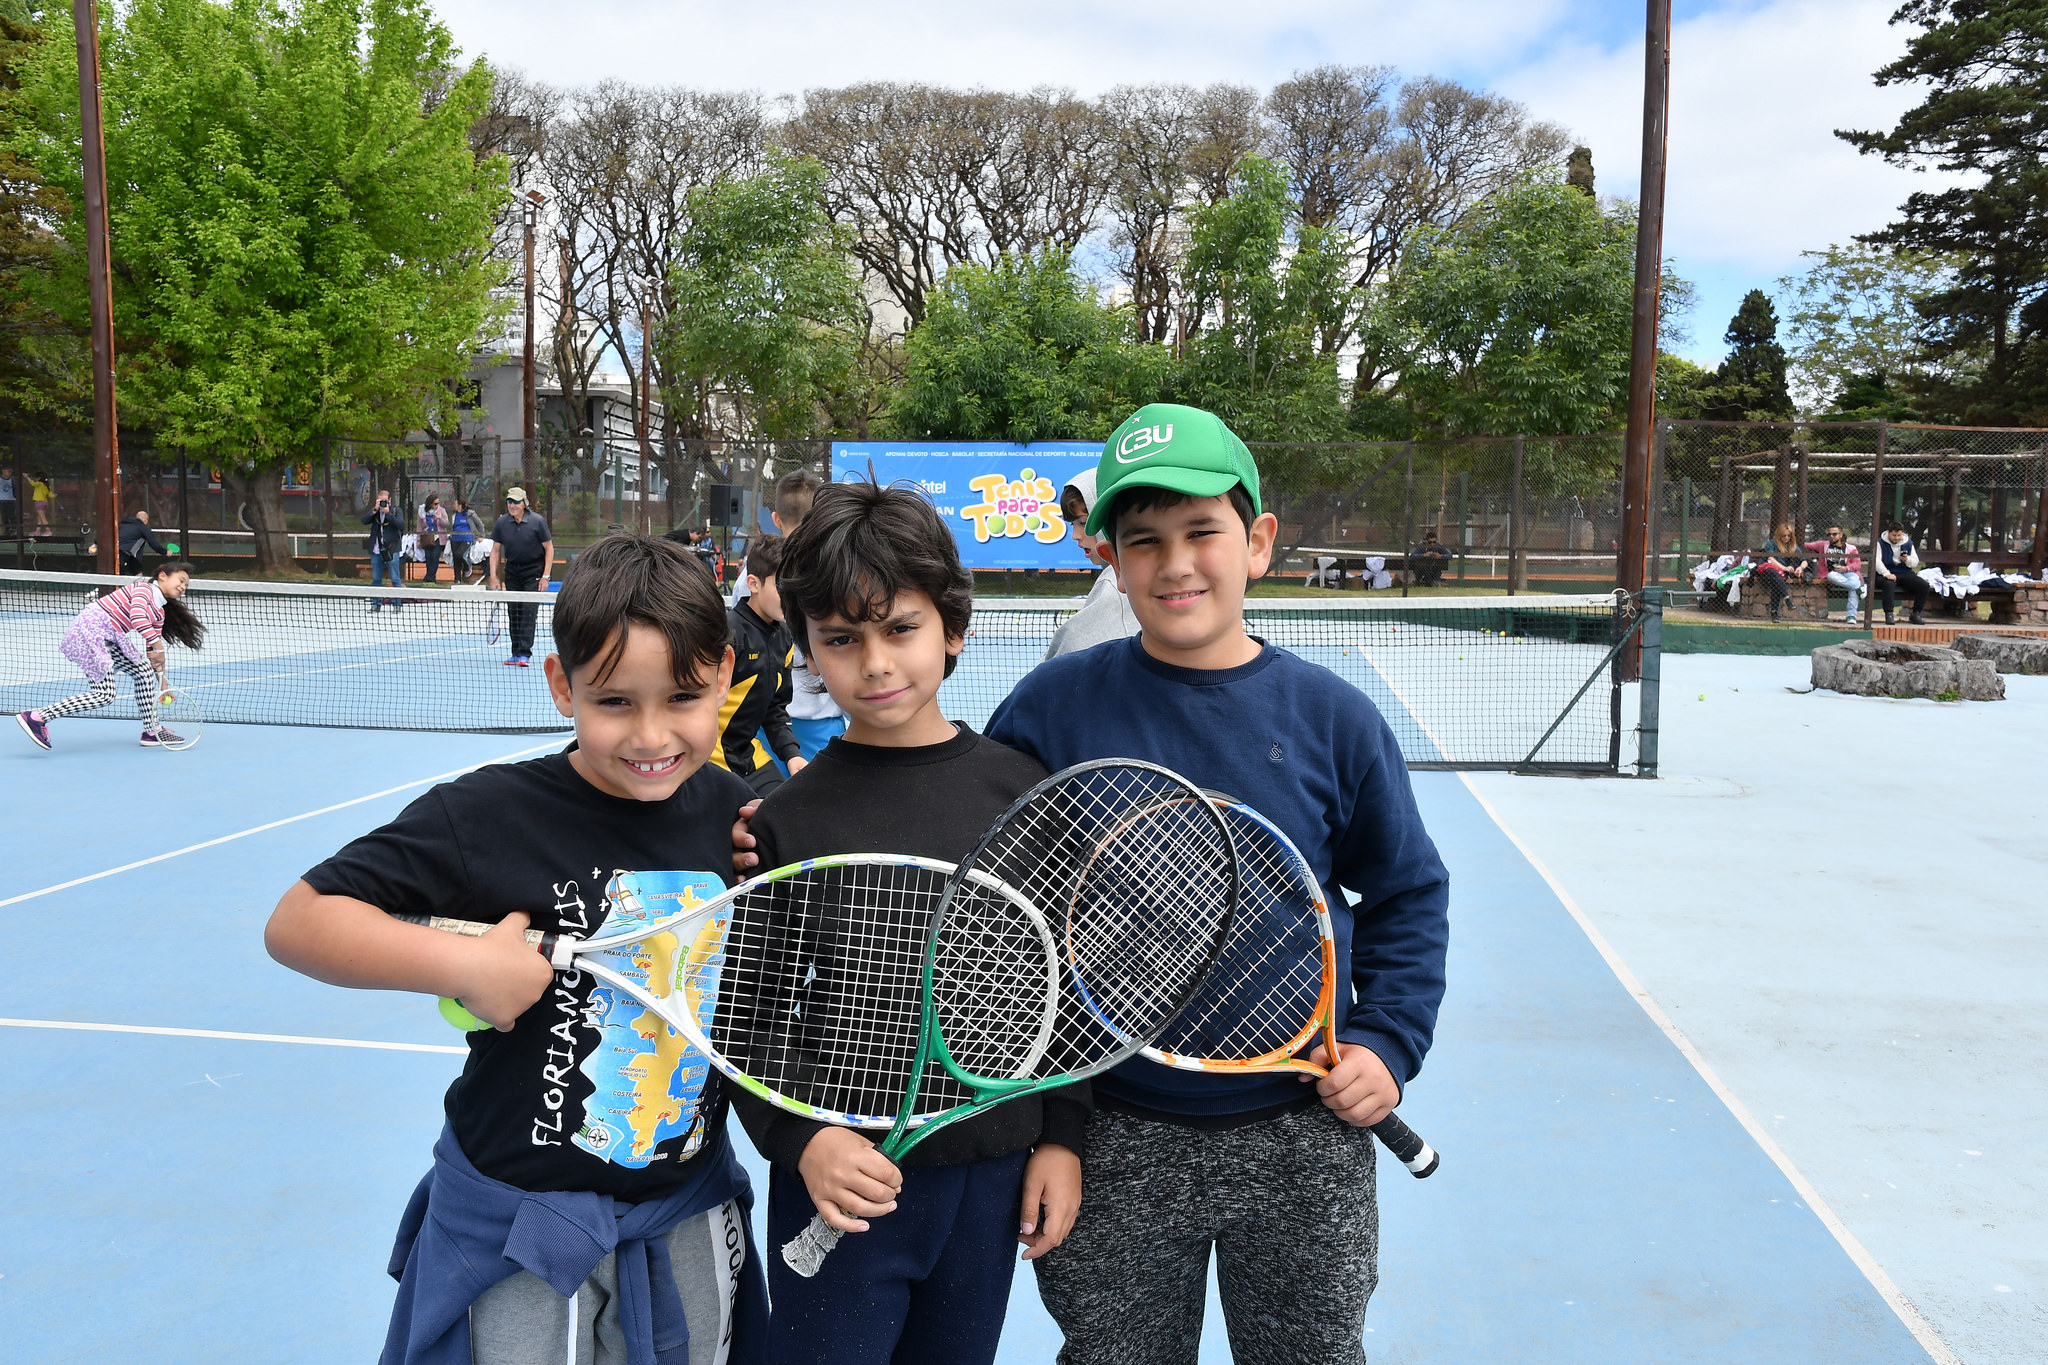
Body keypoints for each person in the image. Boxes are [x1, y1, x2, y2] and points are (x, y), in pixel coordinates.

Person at [984, 403, 1449, 1365]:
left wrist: (1386, 1041)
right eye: (1143, 540)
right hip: (1110, 1133)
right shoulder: (1049, 708)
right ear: (1108, 555)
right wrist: (1051, 1124)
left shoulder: (1336, 720)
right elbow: (995, 903)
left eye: (1202, 530)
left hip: (1302, 1142)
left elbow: (1406, 894)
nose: (1175, 562)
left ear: (1259, 542)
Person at [263, 534, 767, 1365]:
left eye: (681, 697)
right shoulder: (489, 814)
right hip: (520, 1228)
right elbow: (299, 921)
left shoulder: (740, 817)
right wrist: (463, 967)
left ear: (720, 676)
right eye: (614, 702)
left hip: (683, 1211)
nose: (651, 735)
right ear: (562, 685)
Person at [733, 481, 1082, 1365]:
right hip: (840, 1188)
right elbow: (746, 1016)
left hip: (992, 1175)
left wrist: (1062, 1138)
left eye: (901, 628)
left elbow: (1065, 988)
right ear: (809, 645)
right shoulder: (785, 821)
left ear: (953, 628)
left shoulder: (1023, 793)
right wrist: (803, 1139)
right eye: (842, 639)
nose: (876, 662)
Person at [14, 561, 206, 750]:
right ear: (163, 575)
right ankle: (37, 717)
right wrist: (159, 648)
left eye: (186, 585)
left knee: (144, 671)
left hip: (110, 636)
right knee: (104, 695)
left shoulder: (159, 612)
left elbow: (152, 651)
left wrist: (163, 684)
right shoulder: (143, 589)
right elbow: (138, 618)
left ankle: (152, 731)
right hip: (92, 631)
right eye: (180, 580)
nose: (183, 587)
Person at [713, 533, 808, 798]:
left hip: (749, 757)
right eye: (781, 588)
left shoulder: (784, 637)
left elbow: (774, 709)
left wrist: (792, 755)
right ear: (753, 583)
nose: (790, 599)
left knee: (785, 813)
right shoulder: (727, 635)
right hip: (710, 761)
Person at [769, 470, 847, 761]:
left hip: (767, 726)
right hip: (819, 723)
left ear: (776, 519)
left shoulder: (749, 580)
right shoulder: (838, 573)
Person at [1041, 467, 1139, 661]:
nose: (1076, 535)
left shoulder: (1115, 583)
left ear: (1108, 518)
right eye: (1073, 524)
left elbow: (1067, 655)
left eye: (1083, 522)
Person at [487, 487, 554, 666]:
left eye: (516, 502)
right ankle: (516, 653)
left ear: (524, 503)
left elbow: (549, 548)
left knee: (528, 612)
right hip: (512, 572)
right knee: (514, 613)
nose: (512, 505)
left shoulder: (538, 522)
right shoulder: (502, 523)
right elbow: (495, 551)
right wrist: (493, 576)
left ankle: (525, 654)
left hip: (534, 571)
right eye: (509, 501)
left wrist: (545, 576)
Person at [1804, 525, 1864, 626]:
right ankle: (1860, 589)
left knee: (1854, 581)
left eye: (1834, 534)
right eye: (1829, 534)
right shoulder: (1823, 545)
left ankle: (1851, 616)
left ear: (1841, 535)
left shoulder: (1851, 548)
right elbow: (1807, 545)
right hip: (1832, 573)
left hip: (1849, 573)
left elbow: (1857, 564)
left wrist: (1846, 568)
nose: (1831, 536)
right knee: (1833, 577)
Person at [1750, 520, 1806, 623]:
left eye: (1788, 536)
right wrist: (1784, 568)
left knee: (1777, 580)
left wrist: (1800, 568)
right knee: (1774, 574)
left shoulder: (1792, 546)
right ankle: (1787, 599)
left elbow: (1804, 561)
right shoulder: (1771, 543)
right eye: (1784, 536)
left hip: (1779, 574)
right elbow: (1771, 559)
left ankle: (1774, 612)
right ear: (1779, 535)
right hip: (1766, 569)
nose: (1786, 538)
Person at [1875, 521, 1931, 625]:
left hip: (1905, 573)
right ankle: (1889, 614)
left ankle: (1916, 614)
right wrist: (1886, 574)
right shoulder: (1880, 543)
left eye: (1899, 535)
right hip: (1887, 573)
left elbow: (1915, 562)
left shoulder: (1908, 543)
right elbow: (1876, 561)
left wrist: (1907, 559)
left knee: (1924, 585)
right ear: (1888, 533)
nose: (1896, 538)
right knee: (1888, 584)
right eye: (1894, 535)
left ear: (1902, 533)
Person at [362, 490, 406, 611]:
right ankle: (376, 603)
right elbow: (364, 520)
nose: (382, 503)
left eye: (384, 500)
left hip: (391, 549)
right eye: (380, 500)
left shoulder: (397, 510)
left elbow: (401, 524)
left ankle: (397, 604)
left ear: (390, 501)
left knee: (395, 578)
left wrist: (388, 514)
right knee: (376, 578)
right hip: (376, 549)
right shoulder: (375, 512)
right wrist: (375, 510)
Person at [117, 507, 168, 577]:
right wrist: (165, 552)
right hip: (129, 556)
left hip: (116, 555)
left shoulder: (121, 525)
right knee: (138, 575)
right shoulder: (143, 527)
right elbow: (154, 544)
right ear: (145, 520)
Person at [415, 493, 449, 586]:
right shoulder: (422, 512)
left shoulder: (441, 511)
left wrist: (440, 518)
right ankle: (430, 577)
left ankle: (430, 578)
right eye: (435, 504)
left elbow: (446, 524)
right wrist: (418, 539)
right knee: (428, 557)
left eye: (438, 503)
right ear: (430, 504)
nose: (437, 505)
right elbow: (419, 526)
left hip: (438, 538)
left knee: (435, 557)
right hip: (427, 537)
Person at [446, 498, 478, 585]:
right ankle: (457, 579)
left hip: (466, 538)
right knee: (456, 559)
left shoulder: (470, 514)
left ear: (460, 506)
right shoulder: (454, 515)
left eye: (455, 504)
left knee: (460, 554)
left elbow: (479, 525)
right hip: (455, 539)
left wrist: (479, 536)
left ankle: (467, 566)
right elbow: (452, 526)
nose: (454, 505)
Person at [30, 471, 52, 537]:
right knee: (39, 518)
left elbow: (32, 484)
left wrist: (27, 477)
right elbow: (50, 495)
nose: (35, 478)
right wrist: (54, 495)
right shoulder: (46, 485)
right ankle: (37, 531)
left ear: (39, 478)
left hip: (39, 502)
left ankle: (48, 531)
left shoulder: (39, 483)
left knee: (42, 518)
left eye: (36, 477)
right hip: (45, 503)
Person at [0, 463, 17, 535]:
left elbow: (14, 489)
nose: (9, 473)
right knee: (4, 515)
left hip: (11, 500)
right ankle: (7, 528)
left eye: (10, 472)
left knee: (11, 514)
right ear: (3, 471)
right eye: (8, 471)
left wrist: (15, 496)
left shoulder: (11, 480)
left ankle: (14, 527)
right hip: (2, 500)